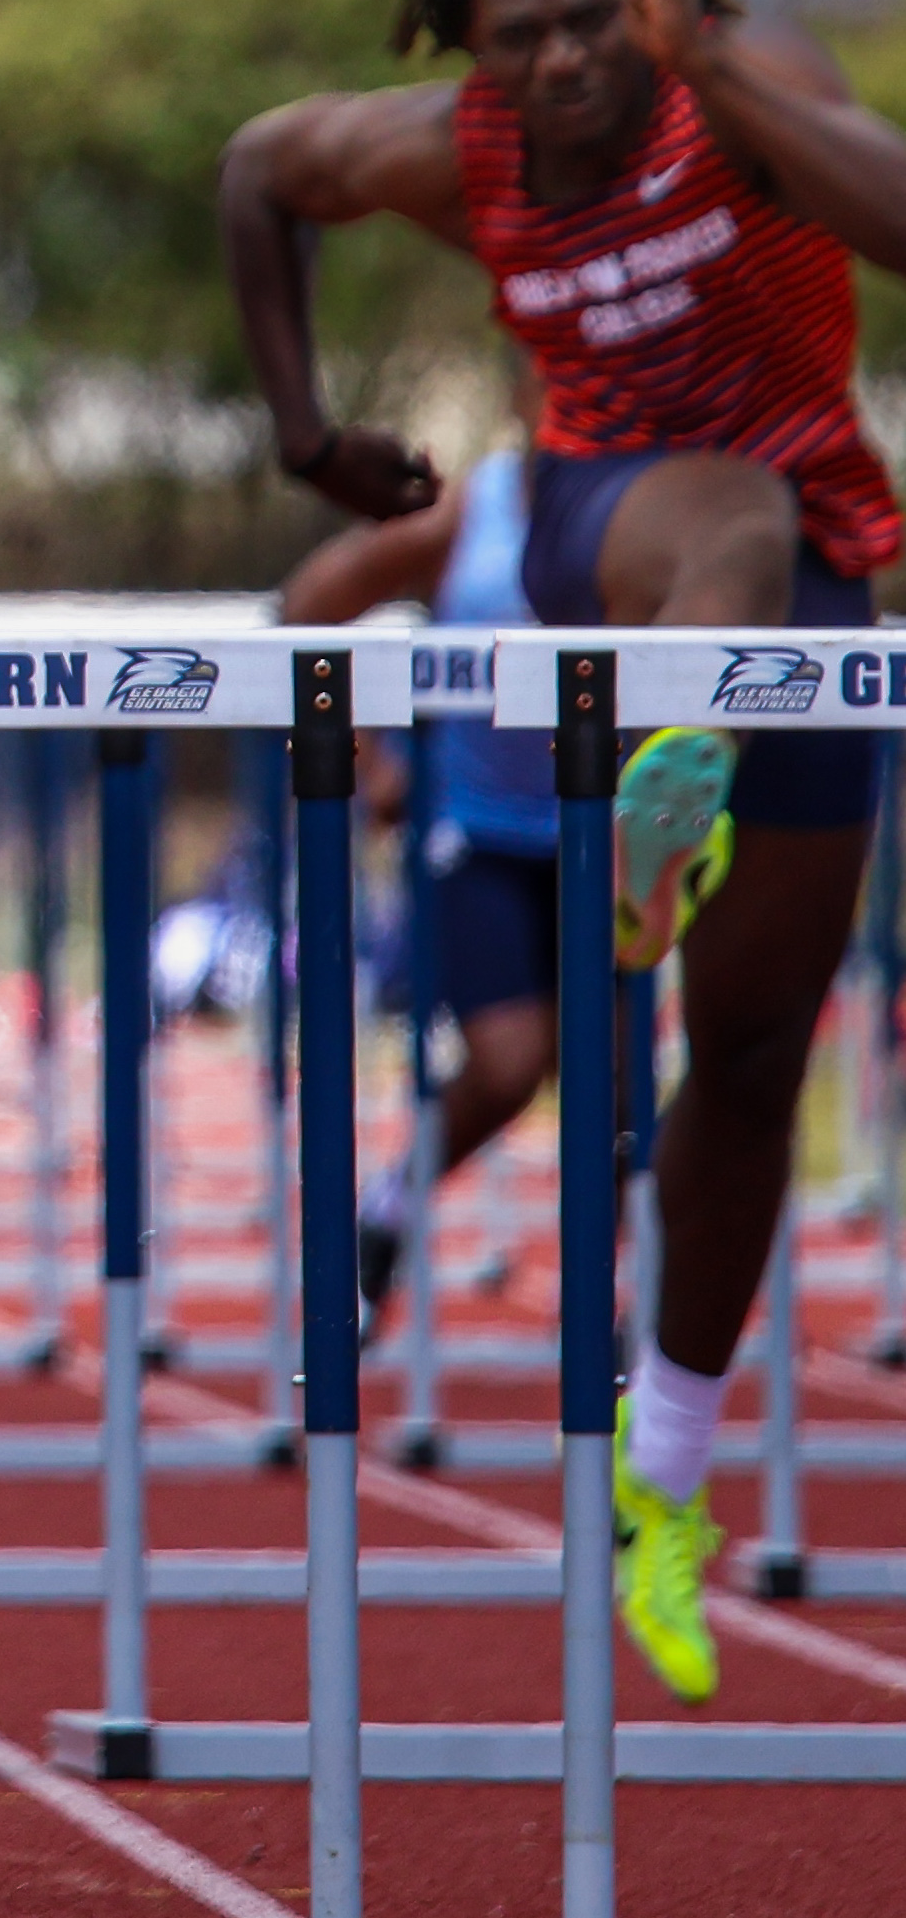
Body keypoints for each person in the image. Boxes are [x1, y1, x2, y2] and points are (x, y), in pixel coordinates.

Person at [221, 0, 906, 1704]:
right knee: (722, 513)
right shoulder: (453, 148)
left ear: (647, 2)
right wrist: (305, 431)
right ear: (473, 59)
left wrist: (732, 76)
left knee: (751, 1050)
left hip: (814, 582)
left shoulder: (744, 89)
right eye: (515, 39)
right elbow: (257, 169)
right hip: (603, 525)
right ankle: (657, 787)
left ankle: (661, 1481)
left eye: (588, 22)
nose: (560, 62)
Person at [271, 411, 590, 1318]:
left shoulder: (655, 501)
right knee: (506, 1064)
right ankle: (390, 1204)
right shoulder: (478, 507)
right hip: (476, 830)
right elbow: (309, 604)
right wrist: (371, 762)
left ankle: (630, 1313)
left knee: (613, 1091)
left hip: (599, 832)